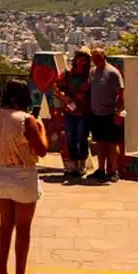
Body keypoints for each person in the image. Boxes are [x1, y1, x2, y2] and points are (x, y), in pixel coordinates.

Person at [0, 79, 49, 274]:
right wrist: (42, 129)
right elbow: (42, 150)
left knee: (5, 225)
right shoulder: (26, 119)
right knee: (23, 228)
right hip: (22, 175)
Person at [53, 47, 93, 179]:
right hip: (70, 111)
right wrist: (65, 98)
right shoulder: (67, 74)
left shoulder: (90, 75)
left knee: (82, 138)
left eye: (84, 60)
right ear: (75, 60)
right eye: (79, 59)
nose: (81, 62)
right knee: (71, 138)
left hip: (85, 111)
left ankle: (82, 164)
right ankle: (74, 164)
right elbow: (57, 88)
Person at [87, 47, 125, 183]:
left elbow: (121, 94)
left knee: (111, 144)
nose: (95, 61)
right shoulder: (94, 71)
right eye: (94, 59)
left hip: (110, 113)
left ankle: (114, 170)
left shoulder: (113, 73)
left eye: (98, 58)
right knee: (99, 143)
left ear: (104, 57)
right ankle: (101, 169)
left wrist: (118, 111)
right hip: (96, 113)